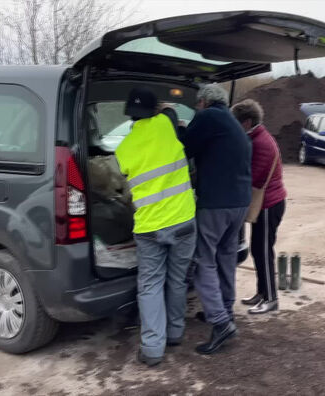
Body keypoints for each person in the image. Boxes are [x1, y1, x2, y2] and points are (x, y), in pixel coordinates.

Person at [115, 87, 196, 367]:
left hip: (149, 228)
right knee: (177, 280)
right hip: (183, 220)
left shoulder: (123, 149)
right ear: (155, 111)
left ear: (129, 117)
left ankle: (152, 348)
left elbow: (122, 181)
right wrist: (163, 107)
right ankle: (175, 333)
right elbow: (172, 113)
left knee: (150, 285)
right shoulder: (165, 124)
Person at [179, 84, 252, 355]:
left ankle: (220, 323)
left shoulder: (208, 117)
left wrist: (177, 128)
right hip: (239, 203)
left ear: (203, 102)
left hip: (216, 204)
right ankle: (225, 311)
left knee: (203, 261)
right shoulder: (231, 121)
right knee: (225, 258)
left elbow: (184, 149)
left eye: (198, 104)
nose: (198, 108)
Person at [231, 99, 287, 314]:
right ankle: (261, 292)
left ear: (246, 122)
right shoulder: (257, 137)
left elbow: (254, 178)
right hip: (268, 204)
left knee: (263, 251)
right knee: (257, 249)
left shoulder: (260, 143)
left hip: (268, 205)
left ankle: (271, 298)